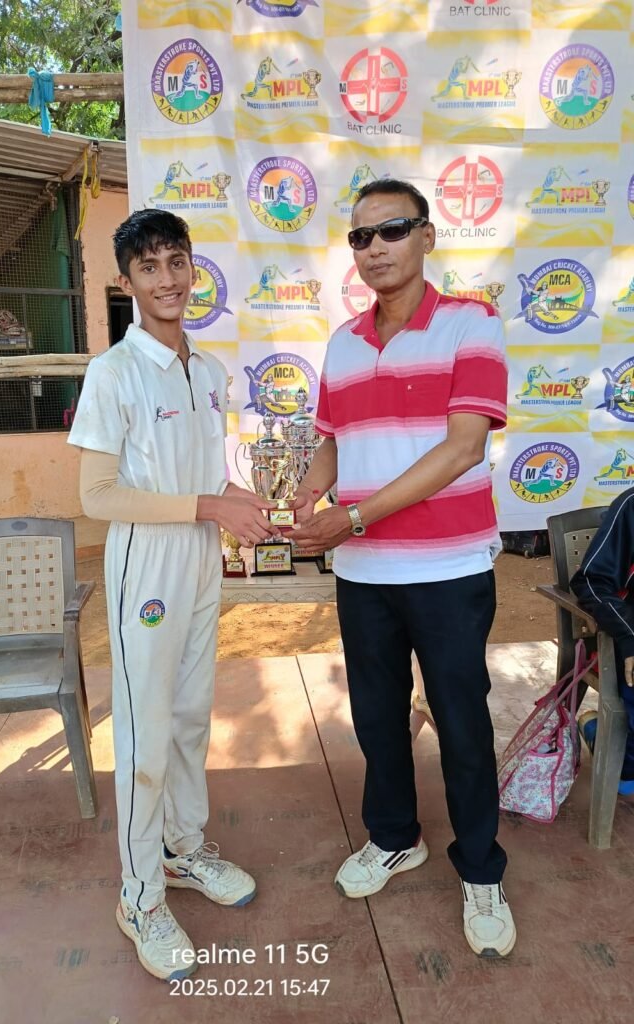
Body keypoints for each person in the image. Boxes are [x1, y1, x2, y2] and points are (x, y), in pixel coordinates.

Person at [291, 178, 516, 957]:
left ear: (427, 237)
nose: (375, 248)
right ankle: (394, 837)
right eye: (361, 236)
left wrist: (351, 517)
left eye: (392, 230)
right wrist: (308, 491)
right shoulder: (343, 342)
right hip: (363, 575)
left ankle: (481, 869)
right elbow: (333, 439)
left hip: (449, 567)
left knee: (461, 722)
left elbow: (463, 448)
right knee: (377, 719)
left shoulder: (470, 324)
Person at [67, 209, 279, 982]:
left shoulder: (209, 371)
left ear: (193, 268)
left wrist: (238, 499)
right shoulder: (113, 373)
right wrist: (208, 506)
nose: (168, 279)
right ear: (126, 281)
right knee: (145, 732)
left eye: (177, 262)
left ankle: (183, 851)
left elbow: (203, 474)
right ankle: (139, 896)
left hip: (198, 557)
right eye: (149, 267)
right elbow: (97, 495)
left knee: (190, 716)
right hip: (146, 567)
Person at [570, 488, 634, 796]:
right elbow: (593, 580)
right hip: (629, 635)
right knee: (626, 783)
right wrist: (628, 635)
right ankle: (605, 741)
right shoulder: (631, 505)